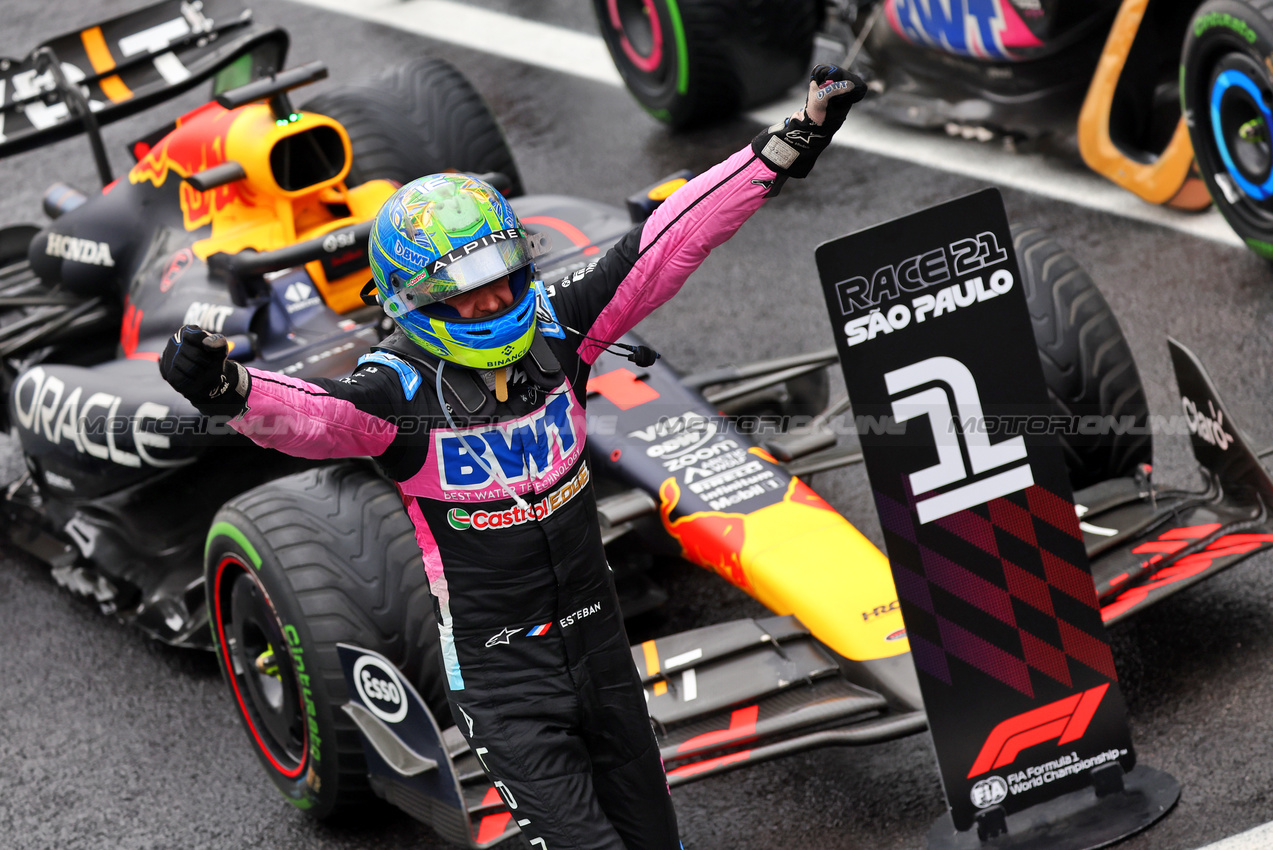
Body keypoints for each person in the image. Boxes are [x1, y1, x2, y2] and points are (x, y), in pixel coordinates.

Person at [161, 65, 864, 850]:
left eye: (502, 278)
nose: (493, 302)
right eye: (465, 290)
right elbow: (310, 419)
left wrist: (783, 146)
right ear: (416, 298)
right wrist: (226, 386)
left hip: (601, 653)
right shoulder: (392, 395)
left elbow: (665, 244)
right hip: (505, 687)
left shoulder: (563, 331)